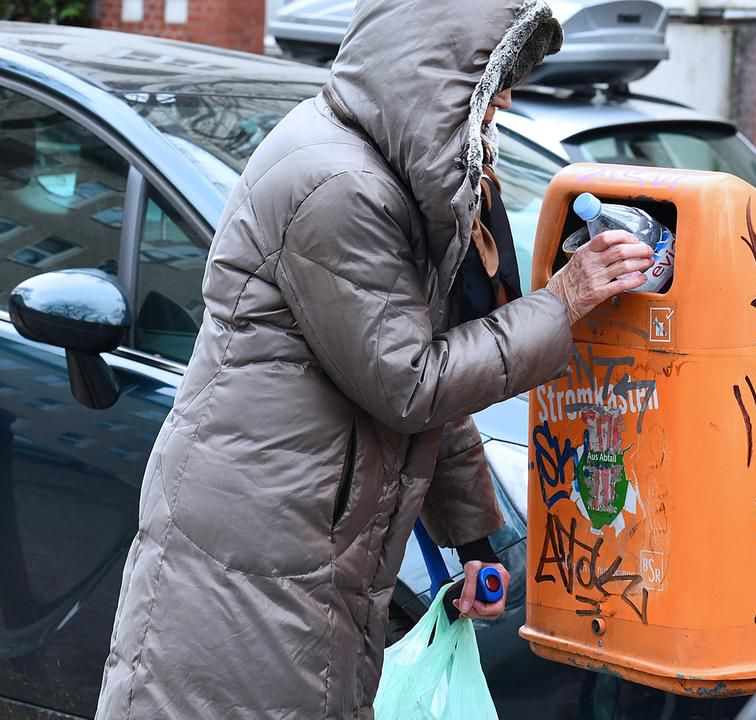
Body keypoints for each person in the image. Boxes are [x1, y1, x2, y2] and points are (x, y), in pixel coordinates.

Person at [94, 0, 653, 717]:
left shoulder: (386, 176)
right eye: (483, 111)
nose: (493, 131)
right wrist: (564, 300)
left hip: (305, 546)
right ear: (431, 88)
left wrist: (474, 536)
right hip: (256, 557)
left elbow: (418, 372)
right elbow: (411, 384)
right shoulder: (340, 187)